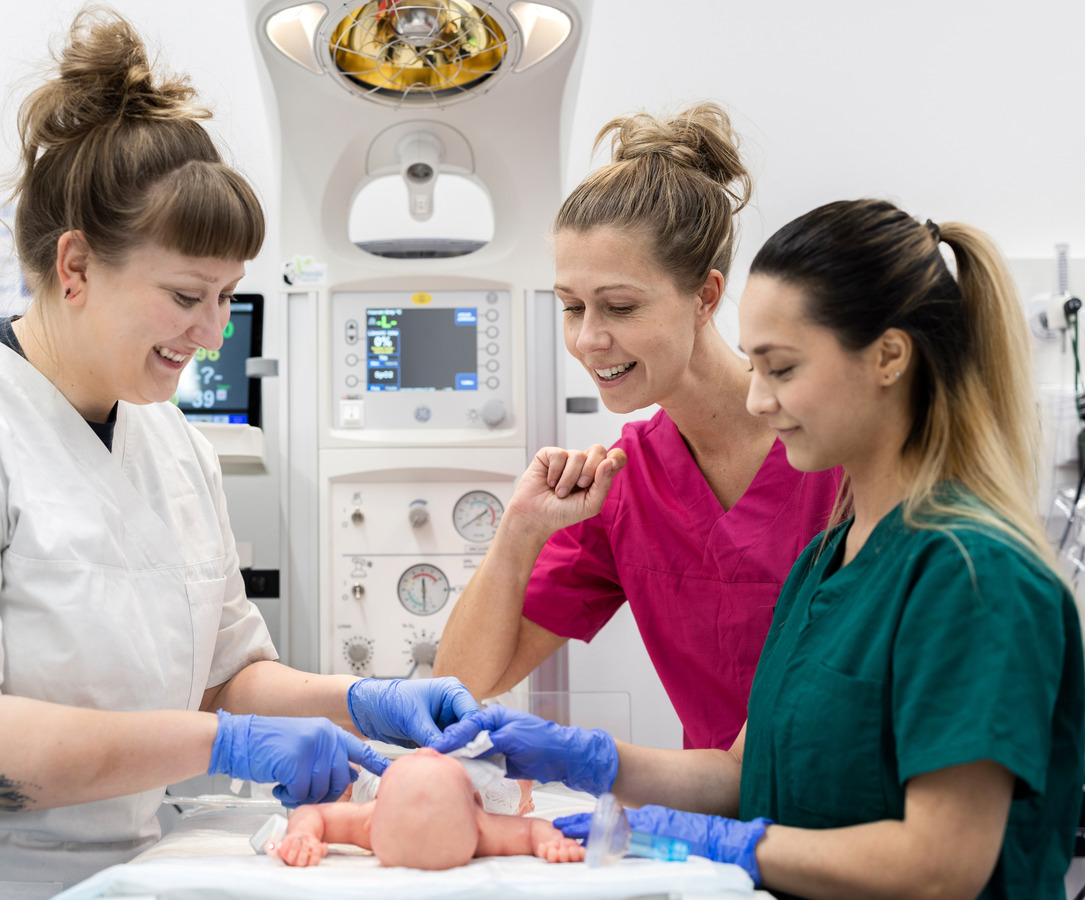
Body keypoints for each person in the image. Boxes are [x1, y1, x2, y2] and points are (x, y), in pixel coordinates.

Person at [0, 9, 475, 899]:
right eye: (185, 296)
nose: (211, 333)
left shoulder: (171, 445)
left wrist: (355, 701)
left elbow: (226, 677)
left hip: (101, 875)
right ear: (76, 267)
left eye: (226, 297)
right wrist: (221, 747)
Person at [434, 199, 1085, 898]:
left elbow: (941, 866)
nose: (755, 400)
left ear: (889, 357)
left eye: (779, 369)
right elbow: (743, 771)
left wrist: (728, 843)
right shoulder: (827, 560)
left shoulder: (973, 576)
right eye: (755, 367)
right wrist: (581, 760)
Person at [433, 104, 841, 751]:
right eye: (571, 307)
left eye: (619, 306)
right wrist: (519, 531)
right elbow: (459, 684)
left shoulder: (835, 453)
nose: (589, 339)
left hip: (862, 829)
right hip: (718, 827)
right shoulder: (624, 483)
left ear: (705, 297)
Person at [269, 749, 583, 869]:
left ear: (373, 822)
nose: (428, 751)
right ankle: (520, 797)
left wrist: (302, 834)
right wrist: (551, 842)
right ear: (476, 816)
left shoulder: (369, 818)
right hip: (477, 800)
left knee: (343, 771)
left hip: (382, 790)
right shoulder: (482, 830)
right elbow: (532, 831)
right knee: (519, 782)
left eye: (419, 756)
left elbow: (312, 814)